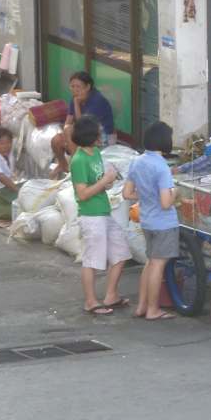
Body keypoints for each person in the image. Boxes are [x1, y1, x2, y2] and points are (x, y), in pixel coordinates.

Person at [71, 115, 131, 316]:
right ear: (90, 136)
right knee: (93, 259)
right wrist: (104, 180)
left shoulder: (96, 153)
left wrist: (108, 182)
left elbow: (97, 183)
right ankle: (90, 301)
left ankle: (111, 295)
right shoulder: (78, 160)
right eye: (98, 132)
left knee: (121, 253)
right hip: (91, 215)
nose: (101, 135)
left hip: (104, 211)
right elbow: (82, 194)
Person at [124, 121, 179, 321]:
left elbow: (127, 193)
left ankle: (141, 306)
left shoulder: (137, 161)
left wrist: (147, 195)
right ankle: (153, 310)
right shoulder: (162, 167)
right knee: (158, 265)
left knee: (150, 263)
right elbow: (166, 203)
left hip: (146, 221)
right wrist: (175, 193)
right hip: (164, 224)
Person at [51, 71, 115, 175]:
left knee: (70, 130)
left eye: (78, 87)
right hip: (84, 133)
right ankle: (62, 166)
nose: (75, 90)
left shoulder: (97, 100)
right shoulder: (75, 97)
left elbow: (83, 127)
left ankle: (77, 168)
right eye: (72, 86)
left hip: (101, 137)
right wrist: (66, 137)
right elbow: (68, 121)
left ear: (87, 87)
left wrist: (76, 104)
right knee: (56, 140)